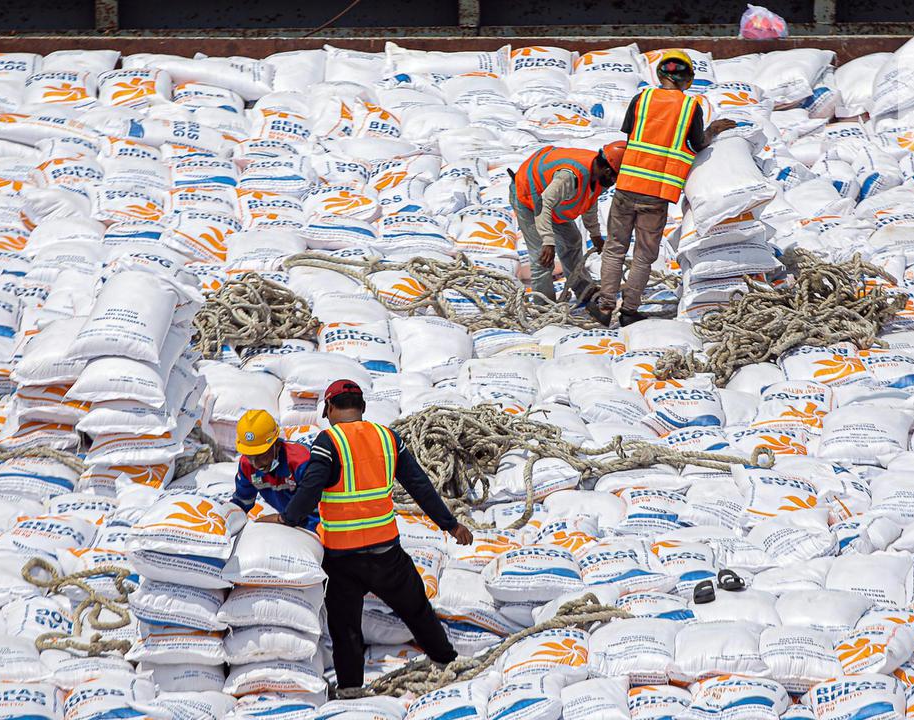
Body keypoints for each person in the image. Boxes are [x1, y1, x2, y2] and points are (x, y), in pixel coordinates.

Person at [258, 379, 474, 691]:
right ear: (362, 408)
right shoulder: (388, 438)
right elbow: (420, 486)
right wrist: (450, 525)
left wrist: (285, 518)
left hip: (342, 559)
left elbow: (309, 490)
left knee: (346, 628)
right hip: (387, 554)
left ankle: (349, 691)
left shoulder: (328, 442)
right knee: (417, 610)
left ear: (330, 408)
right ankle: (446, 663)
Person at [598, 50, 737, 327]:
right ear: (688, 80)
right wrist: (714, 129)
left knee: (614, 248)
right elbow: (697, 144)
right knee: (643, 255)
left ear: (660, 74)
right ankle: (629, 311)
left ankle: (604, 308)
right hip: (656, 193)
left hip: (627, 186)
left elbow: (631, 134)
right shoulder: (690, 107)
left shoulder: (642, 99)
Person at [510, 141, 628, 324]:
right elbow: (544, 205)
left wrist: (595, 234)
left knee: (572, 240)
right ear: (607, 171)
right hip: (529, 197)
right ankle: (544, 307)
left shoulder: (597, 176)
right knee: (542, 257)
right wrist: (548, 241)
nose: (614, 182)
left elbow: (589, 202)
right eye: (615, 177)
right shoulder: (569, 177)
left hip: (551, 202)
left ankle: (582, 289)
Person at [231, 409, 320, 531]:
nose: (255, 464)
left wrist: (281, 520)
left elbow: (317, 510)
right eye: (249, 456)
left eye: (261, 455)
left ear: (276, 445)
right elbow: (242, 502)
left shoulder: (301, 462)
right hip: (290, 523)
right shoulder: (247, 465)